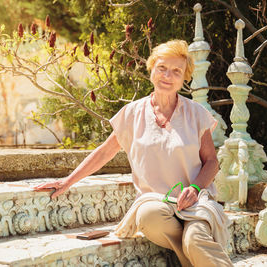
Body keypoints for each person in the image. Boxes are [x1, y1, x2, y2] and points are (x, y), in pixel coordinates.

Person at [34, 40, 233, 267]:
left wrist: (195, 188)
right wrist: (68, 181)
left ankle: (192, 248)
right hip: (157, 203)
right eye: (162, 68)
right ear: (151, 70)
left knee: (195, 240)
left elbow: (212, 162)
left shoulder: (196, 113)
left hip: (196, 202)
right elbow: (103, 153)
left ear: (184, 78)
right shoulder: (132, 113)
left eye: (176, 71)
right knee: (148, 217)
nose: (167, 75)